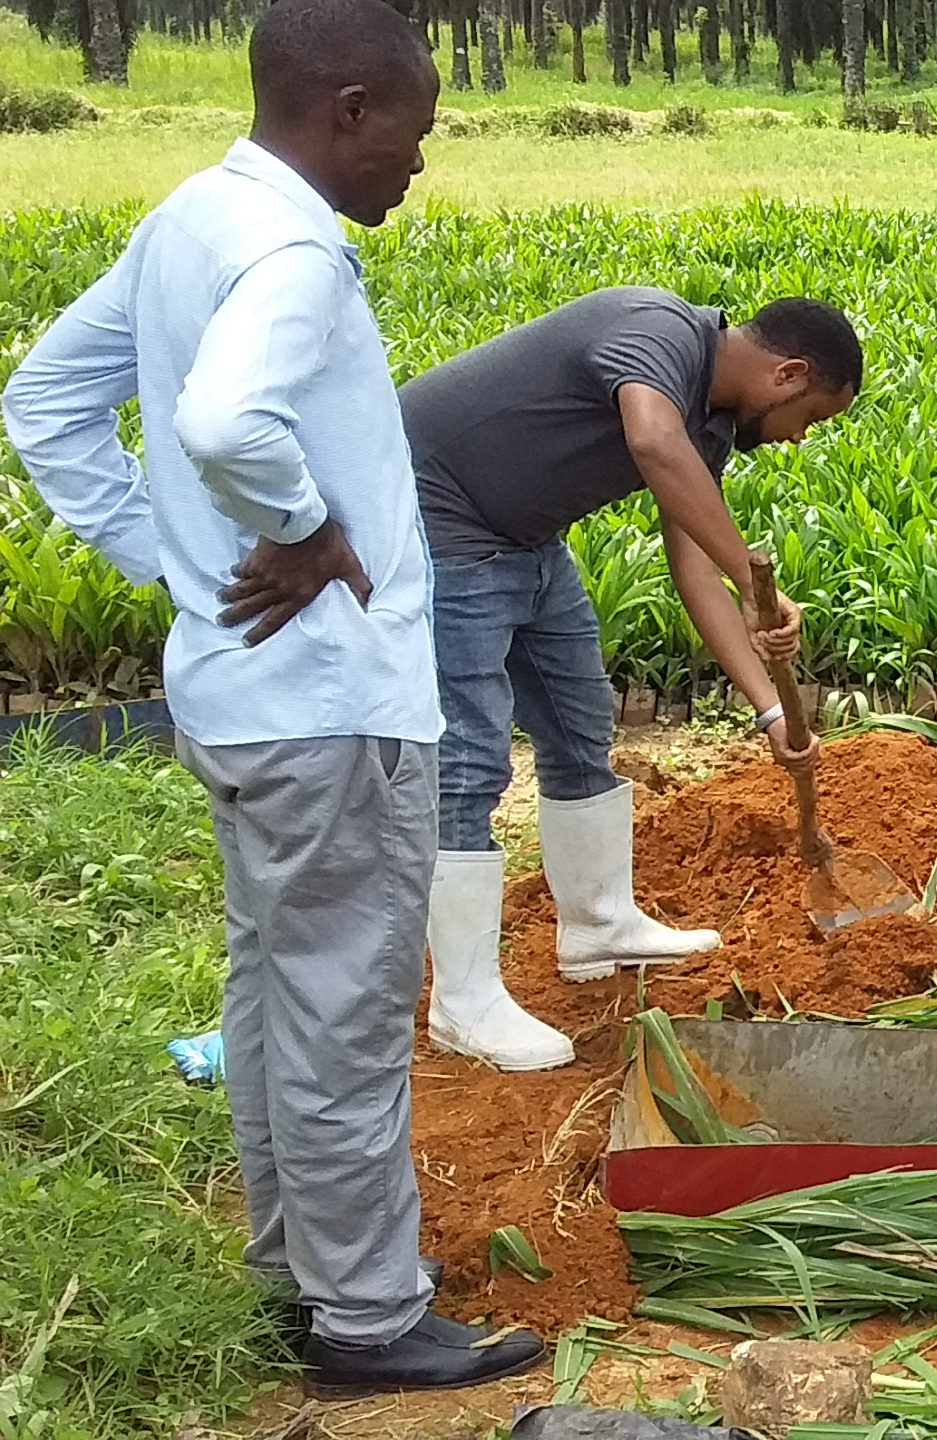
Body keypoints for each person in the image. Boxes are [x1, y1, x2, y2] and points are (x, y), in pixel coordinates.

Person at [1, 0, 543, 1395]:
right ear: (348, 107)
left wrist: (177, 562)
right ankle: (368, 1317)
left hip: (240, 699)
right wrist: (297, 530)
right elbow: (223, 418)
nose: (418, 168)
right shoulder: (295, 250)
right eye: (415, 135)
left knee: (268, 995)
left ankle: (295, 1269)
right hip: (330, 707)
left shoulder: (189, 215)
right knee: (347, 1014)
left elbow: (44, 401)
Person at [399, 291, 859, 1071]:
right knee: (472, 763)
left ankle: (597, 923)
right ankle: (464, 1003)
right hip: (437, 523)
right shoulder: (660, 330)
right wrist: (756, 582)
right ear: (787, 373)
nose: (791, 441)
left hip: (525, 540)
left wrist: (769, 712)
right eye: (808, 419)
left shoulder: (708, 432)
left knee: (581, 729)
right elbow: (651, 440)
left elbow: (692, 573)